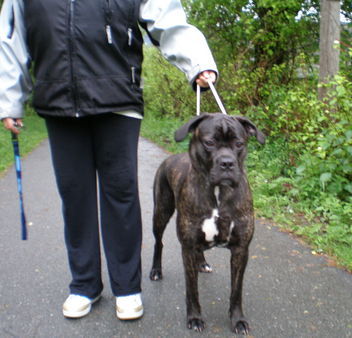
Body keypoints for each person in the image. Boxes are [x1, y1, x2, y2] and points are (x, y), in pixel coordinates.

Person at [0, 0, 217, 320]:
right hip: (58, 100)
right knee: (74, 196)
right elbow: (11, 38)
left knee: (120, 193)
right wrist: (10, 101)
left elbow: (167, 19)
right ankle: (84, 285)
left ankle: (127, 288)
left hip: (119, 99)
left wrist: (197, 62)